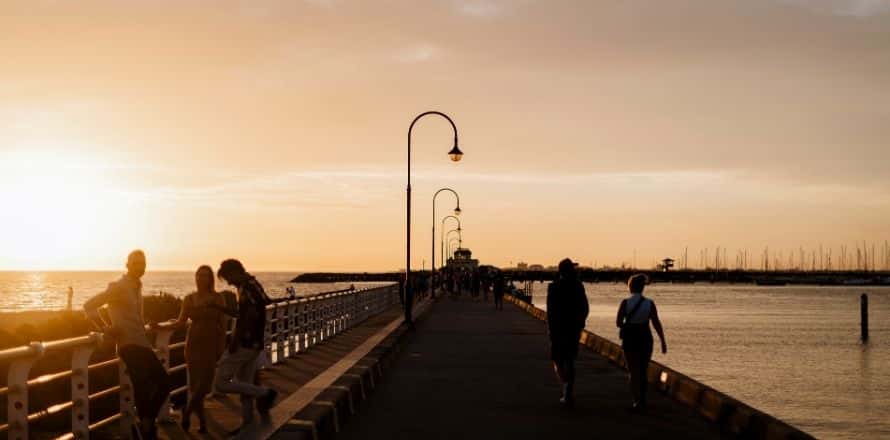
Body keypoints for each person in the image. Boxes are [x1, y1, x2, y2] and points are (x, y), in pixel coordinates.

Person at [83, 250, 171, 439]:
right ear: (127, 265)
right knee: (143, 385)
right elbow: (89, 305)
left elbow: (130, 316)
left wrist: (145, 323)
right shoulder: (119, 286)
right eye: (136, 263)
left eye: (143, 263)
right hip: (129, 345)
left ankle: (145, 424)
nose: (140, 266)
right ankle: (146, 428)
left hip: (142, 342)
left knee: (163, 383)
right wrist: (105, 328)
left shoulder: (137, 287)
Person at [153, 266, 227, 433]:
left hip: (211, 345)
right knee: (195, 386)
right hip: (193, 344)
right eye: (199, 275)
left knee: (205, 386)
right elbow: (180, 322)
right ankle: (202, 423)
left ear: (211, 279)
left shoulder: (218, 298)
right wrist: (160, 326)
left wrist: (221, 347)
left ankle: (187, 411)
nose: (201, 279)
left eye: (205, 276)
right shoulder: (189, 299)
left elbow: (222, 325)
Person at [212, 259, 278, 434]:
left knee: (220, 383)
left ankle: (265, 392)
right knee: (244, 384)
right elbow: (258, 306)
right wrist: (221, 309)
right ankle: (247, 425)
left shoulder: (246, 288)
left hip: (245, 342)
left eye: (228, 278)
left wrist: (235, 340)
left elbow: (247, 316)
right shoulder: (253, 284)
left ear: (235, 272)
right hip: (255, 342)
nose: (229, 282)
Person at [616, 273, 667, 412]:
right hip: (645, 337)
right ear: (643, 287)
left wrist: (628, 324)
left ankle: (636, 400)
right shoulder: (649, 303)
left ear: (630, 287)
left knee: (633, 371)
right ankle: (643, 399)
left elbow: (618, 322)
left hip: (630, 339)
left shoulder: (625, 303)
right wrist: (663, 341)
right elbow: (656, 323)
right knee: (643, 370)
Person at [546, 258, 589, 407]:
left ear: (560, 270)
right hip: (573, 328)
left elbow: (550, 311)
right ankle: (568, 388)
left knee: (557, 360)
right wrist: (581, 322)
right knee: (570, 359)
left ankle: (565, 386)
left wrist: (550, 329)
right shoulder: (578, 286)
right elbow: (585, 307)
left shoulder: (553, 287)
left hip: (558, 328)